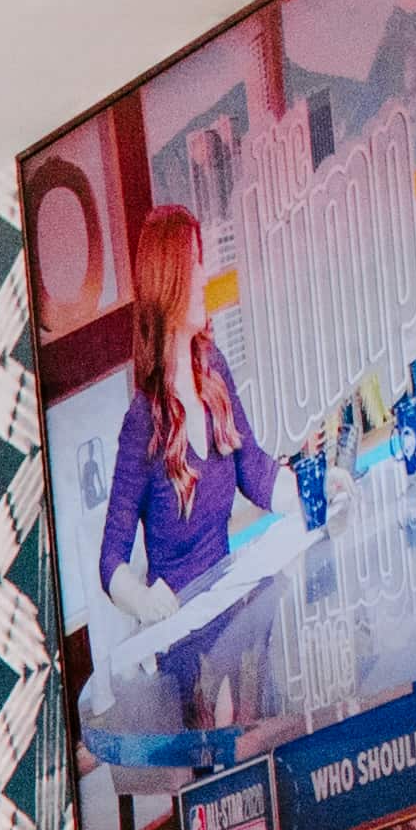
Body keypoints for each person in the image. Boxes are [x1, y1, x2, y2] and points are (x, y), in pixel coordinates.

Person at [95, 204, 284, 598]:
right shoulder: (142, 422)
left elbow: (256, 473)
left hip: (231, 614)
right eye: (194, 263)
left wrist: (317, 493)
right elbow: (111, 559)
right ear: (170, 279)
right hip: (181, 642)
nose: (204, 277)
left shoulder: (214, 371)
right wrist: (144, 601)